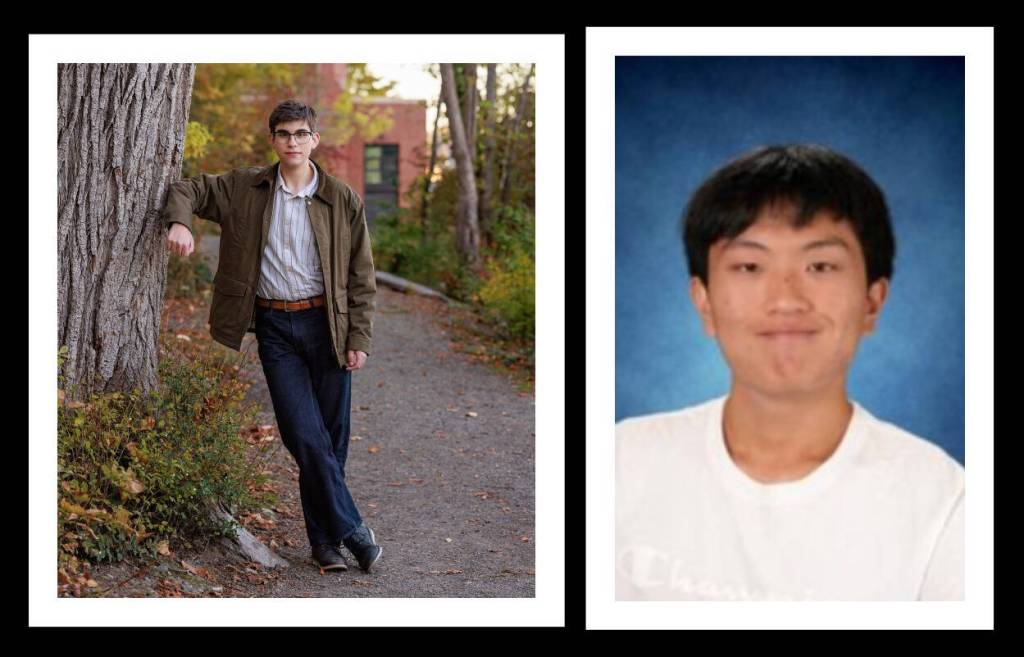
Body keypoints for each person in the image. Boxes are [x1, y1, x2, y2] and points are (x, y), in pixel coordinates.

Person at [615, 144, 964, 601]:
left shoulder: (947, 508)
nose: (785, 299)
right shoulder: (619, 463)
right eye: (750, 266)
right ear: (704, 302)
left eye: (820, 265)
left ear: (871, 302)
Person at [162, 99, 382, 574]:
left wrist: (357, 336)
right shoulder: (245, 188)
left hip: (328, 327)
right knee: (304, 434)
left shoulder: (341, 199)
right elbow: (187, 187)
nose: (292, 142)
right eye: (283, 134)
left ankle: (325, 545)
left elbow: (361, 275)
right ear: (273, 140)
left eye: (301, 134)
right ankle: (353, 529)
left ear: (314, 140)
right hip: (276, 327)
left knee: (331, 442)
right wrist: (179, 221)